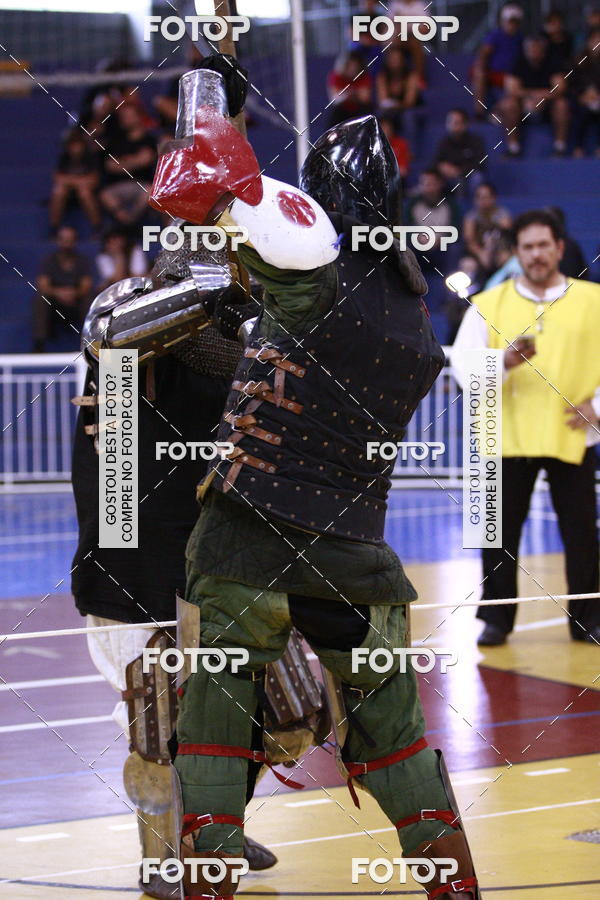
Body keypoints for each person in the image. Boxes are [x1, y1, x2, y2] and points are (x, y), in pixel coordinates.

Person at [152, 57, 481, 900]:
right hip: (356, 548)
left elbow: (212, 191)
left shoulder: (309, 264)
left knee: (216, 718)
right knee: (395, 734)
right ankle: (452, 884)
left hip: (248, 534)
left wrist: (210, 110)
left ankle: (210, 884)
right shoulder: (412, 313)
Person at [71, 235, 276, 900]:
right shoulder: (126, 319)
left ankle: (214, 823)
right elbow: (110, 331)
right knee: (157, 722)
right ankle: (163, 863)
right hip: (127, 557)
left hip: (208, 554)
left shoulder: (238, 344)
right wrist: (205, 295)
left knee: (279, 704)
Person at [451, 210, 600, 647]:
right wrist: (505, 361)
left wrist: (598, 405)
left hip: (570, 434)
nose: (536, 254)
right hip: (505, 436)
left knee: (583, 534)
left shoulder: (593, 300)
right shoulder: (488, 305)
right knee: (497, 533)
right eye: (527, 247)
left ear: (558, 247)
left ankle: (588, 619)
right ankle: (497, 619)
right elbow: (461, 367)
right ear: (516, 253)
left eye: (543, 245)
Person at [498, 34, 570, 156]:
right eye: (532, 48)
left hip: (547, 105)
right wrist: (531, 97)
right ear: (526, 50)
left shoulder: (553, 62)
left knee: (562, 104)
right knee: (508, 104)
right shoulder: (517, 63)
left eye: (538, 49)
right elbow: (512, 89)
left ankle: (560, 147)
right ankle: (513, 148)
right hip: (523, 105)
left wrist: (541, 98)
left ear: (543, 51)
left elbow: (560, 88)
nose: (535, 51)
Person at [34, 225, 93, 352]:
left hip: (76, 303)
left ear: (75, 241)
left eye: (70, 240)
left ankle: (89, 343)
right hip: (55, 305)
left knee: (89, 300)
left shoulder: (82, 261)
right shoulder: (49, 260)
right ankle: (39, 344)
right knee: (40, 299)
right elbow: (43, 285)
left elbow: (86, 286)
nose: (67, 243)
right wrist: (59, 293)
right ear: (58, 241)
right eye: (64, 239)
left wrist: (73, 294)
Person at [99, 105, 158, 227]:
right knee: (105, 194)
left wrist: (122, 162)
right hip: (118, 186)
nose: (126, 119)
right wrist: (135, 160)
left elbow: (146, 160)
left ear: (138, 117)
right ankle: (122, 219)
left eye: (130, 116)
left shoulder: (150, 140)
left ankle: (131, 220)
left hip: (142, 184)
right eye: (124, 117)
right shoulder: (115, 141)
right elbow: (110, 166)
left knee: (150, 191)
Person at [405, 168, 462, 276]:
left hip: (442, 248)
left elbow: (456, 230)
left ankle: (451, 286)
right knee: (404, 248)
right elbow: (405, 227)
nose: (428, 189)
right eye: (425, 184)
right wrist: (417, 237)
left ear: (440, 184)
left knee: (455, 249)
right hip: (418, 246)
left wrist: (439, 239)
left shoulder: (450, 204)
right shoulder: (412, 204)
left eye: (432, 184)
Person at [472, 3, 524, 118]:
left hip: (511, 76)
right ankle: (479, 111)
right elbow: (484, 53)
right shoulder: (495, 35)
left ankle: (498, 111)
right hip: (494, 74)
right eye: (510, 21)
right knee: (479, 73)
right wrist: (481, 68)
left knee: (514, 82)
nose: (512, 25)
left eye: (516, 22)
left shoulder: (520, 38)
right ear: (503, 21)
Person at [49, 130, 101, 232]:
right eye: (72, 145)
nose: (75, 148)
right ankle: (54, 227)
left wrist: (70, 181)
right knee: (58, 191)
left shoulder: (90, 158)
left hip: (88, 191)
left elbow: (94, 180)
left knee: (84, 193)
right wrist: (79, 181)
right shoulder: (65, 158)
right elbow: (57, 178)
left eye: (77, 145)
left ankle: (97, 227)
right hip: (69, 191)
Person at [376, 45, 424, 151]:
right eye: (392, 59)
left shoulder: (411, 75)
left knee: (408, 116)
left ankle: (410, 152)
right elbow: (382, 100)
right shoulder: (383, 76)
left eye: (397, 59)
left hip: (411, 108)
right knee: (378, 116)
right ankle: (379, 151)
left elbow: (409, 102)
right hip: (391, 109)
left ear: (403, 60)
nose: (395, 62)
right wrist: (390, 105)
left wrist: (396, 105)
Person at [463, 183, 512, 278]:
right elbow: (469, 240)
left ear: (493, 198)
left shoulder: (502, 214)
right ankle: (469, 292)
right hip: (478, 253)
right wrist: (481, 253)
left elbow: (509, 233)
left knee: (509, 261)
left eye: (486, 197)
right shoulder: (471, 217)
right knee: (468, 264)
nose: (483, 201)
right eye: (479, 197)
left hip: (499, 251)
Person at [432, 109, 486, 192]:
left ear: (465, 124)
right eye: (450, 122)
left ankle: (473, 203)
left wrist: (459, 171)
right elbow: (435, 161)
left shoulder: (475, 141)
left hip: (468, 175)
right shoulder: (444, 142)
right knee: (432, 178)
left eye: (456, 122)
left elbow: (480, 163)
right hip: (449, 177)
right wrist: (441, 166)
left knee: (477, 178)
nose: (452, 125)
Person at [327, 50, 374, 126]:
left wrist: (352, 95)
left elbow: (365, 98)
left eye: (355, 65)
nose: (352, 68)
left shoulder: (364, 77)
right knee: (335, 112)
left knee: (368, 111)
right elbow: (335, 99)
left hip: (358, 110)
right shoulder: (336, 76)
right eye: (350, 65)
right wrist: (348, 95)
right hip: (342, 111)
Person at [572, 29, 600, 158]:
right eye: (595, 40)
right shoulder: (578, 61)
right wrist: (581, 96)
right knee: (580, 111)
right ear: (588, 42)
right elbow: (571, 84)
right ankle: (577, 147)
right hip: (581, 100)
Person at [95, 227, 147, 292]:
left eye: (116, 239)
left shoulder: (135, 250)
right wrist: (119, 256)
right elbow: (116, 282)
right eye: (110, 241)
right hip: (115, 293)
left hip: (138, 289)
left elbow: (137, 278)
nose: (115, 244)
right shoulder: (103, 257)